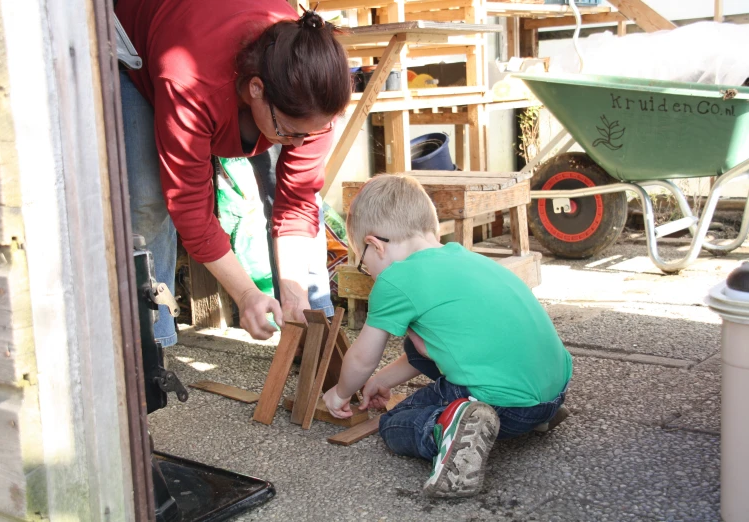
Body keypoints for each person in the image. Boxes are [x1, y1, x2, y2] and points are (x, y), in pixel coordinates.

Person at [115, 0, 352, 345]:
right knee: (147, 203)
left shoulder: (317, 95)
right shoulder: (188, 83)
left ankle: (312, 326)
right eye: (289, 132)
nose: (298, 145)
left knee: (293, 194)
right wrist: (246, 294)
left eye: (310, 134)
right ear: (256, 89)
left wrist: (294, 294)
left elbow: (297, 198)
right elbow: (191, 207)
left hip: (219, 46)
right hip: (141, 47)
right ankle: (150, 349)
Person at [323, 175, 573, 498]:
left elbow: (361, 357)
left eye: (363, 264)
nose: (368, 272)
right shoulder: (462, 257)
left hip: (507, 405)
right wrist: (382, 378)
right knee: (425, 339)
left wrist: (341, 394)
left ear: (375, 245)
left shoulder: (395, 280)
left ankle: (449, 434)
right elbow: (429, 352)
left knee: (394, 425)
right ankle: (532, 417)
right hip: (552, 393)